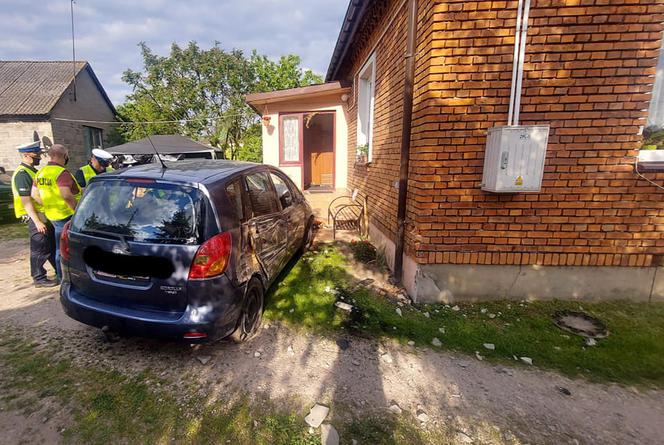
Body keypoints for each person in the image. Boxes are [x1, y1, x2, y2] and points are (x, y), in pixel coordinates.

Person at [10, 141, 57, 288]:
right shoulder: (22, 174)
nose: (39, 157)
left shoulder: (33, 171)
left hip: (42, 214)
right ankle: (38, 278)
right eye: (36, 155)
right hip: (34, 215)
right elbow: (26, 201)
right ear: (26, 155)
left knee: (49, 244)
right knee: (39, 246)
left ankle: (59, 271)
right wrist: (36, 221)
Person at [32, 144, 81, 281]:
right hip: (66, 215)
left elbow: (34, 194)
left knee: (60, 246)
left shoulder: (41, 172)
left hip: (52, 215)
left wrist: (48, 204)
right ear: (65, 156)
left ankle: (62, 275)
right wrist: (77, 211)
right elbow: (66, 195)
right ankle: (63, 277)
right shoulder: (61, 173)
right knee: (64, 248)